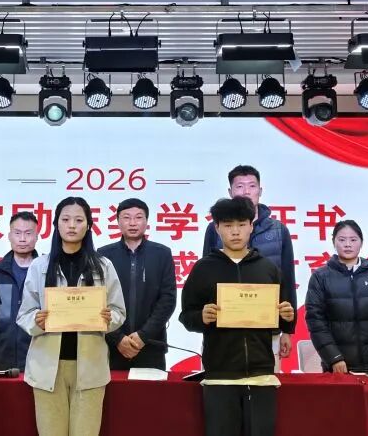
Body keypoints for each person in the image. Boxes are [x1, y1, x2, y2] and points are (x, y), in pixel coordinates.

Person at [180, 197, 295, 436]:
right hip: (220, 374)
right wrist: (202, 316)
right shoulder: (203, 268)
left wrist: (286, 316)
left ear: (251, 226)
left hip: (261, 373)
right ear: (217, 228)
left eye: (242, 224)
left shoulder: (268, 269)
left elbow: (281, 315)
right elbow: (187, 316)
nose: (235, 231)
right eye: (228, 225)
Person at [17, 197, 126, 436]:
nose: (72, 225)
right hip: (47, 368)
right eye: (65, 219)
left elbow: (119, 311)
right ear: (56, 224)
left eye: (79, 220)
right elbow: (24, 313)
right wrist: (37, 320)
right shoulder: (40, 265)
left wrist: (109, 319)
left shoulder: (103, 266)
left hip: (90, 368)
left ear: (89, 225)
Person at [202, 165, 296, 372]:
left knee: (266, 382)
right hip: (223, 329)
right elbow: (205, 276)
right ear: (230, 192)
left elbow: (287, 280)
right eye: (240, 186)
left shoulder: (278, 230)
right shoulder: (215, 228)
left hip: (266, 328)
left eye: (252, 186)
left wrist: (287, 330)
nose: (246, 191)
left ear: (260, 191)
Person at [305, 220, 368, 374]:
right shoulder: (320, 277)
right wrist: (334, 358)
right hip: (338, 367)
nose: (348, 244)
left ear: (361, 242)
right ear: (334, 242)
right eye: (342, 240)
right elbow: (315, 321)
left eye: (353, 239)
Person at [99, 198, 176, 370]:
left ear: (146, 221)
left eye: (138, 217)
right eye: (126, 217)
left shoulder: (162, 254)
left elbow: (168, 299)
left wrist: (143, 336)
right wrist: (118, 338)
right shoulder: (104, 255)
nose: (132, 223)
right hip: (112, 347)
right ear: (118, 221)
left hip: (151, 345)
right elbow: (99, 301)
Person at [0, 211, 39, 372]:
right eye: (17, 233)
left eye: (28, 233)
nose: (22, 239)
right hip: (2, 358)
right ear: (9, 236)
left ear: (37, 237)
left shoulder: (45, 271)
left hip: (39, 358)